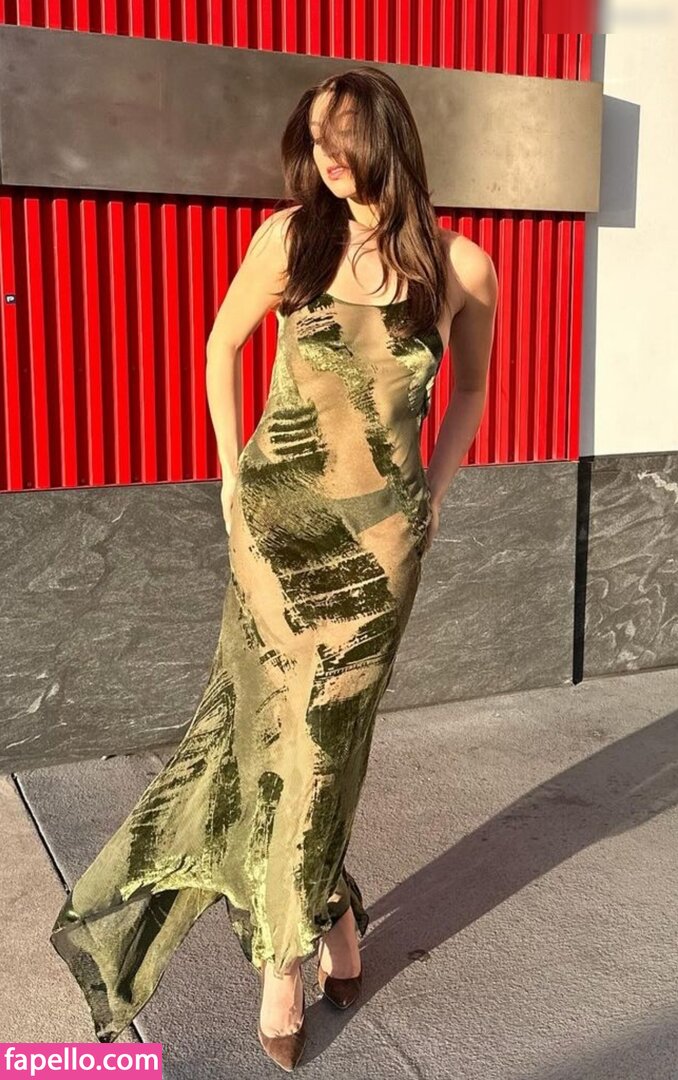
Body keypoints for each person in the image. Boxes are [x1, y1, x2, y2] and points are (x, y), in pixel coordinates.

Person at [50, 66, 497, 1072]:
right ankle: (292, 955)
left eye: (346, 136)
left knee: (326, 746)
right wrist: (228, 480)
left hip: (380, 554)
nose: (329, 157)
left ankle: (315, 923)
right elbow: (220, 347)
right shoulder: (293, 239)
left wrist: (436, 493)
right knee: (271, 741)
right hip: (276, 533)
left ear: (390, 136)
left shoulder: (462, 267)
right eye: (316, 139)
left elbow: (469, 390)